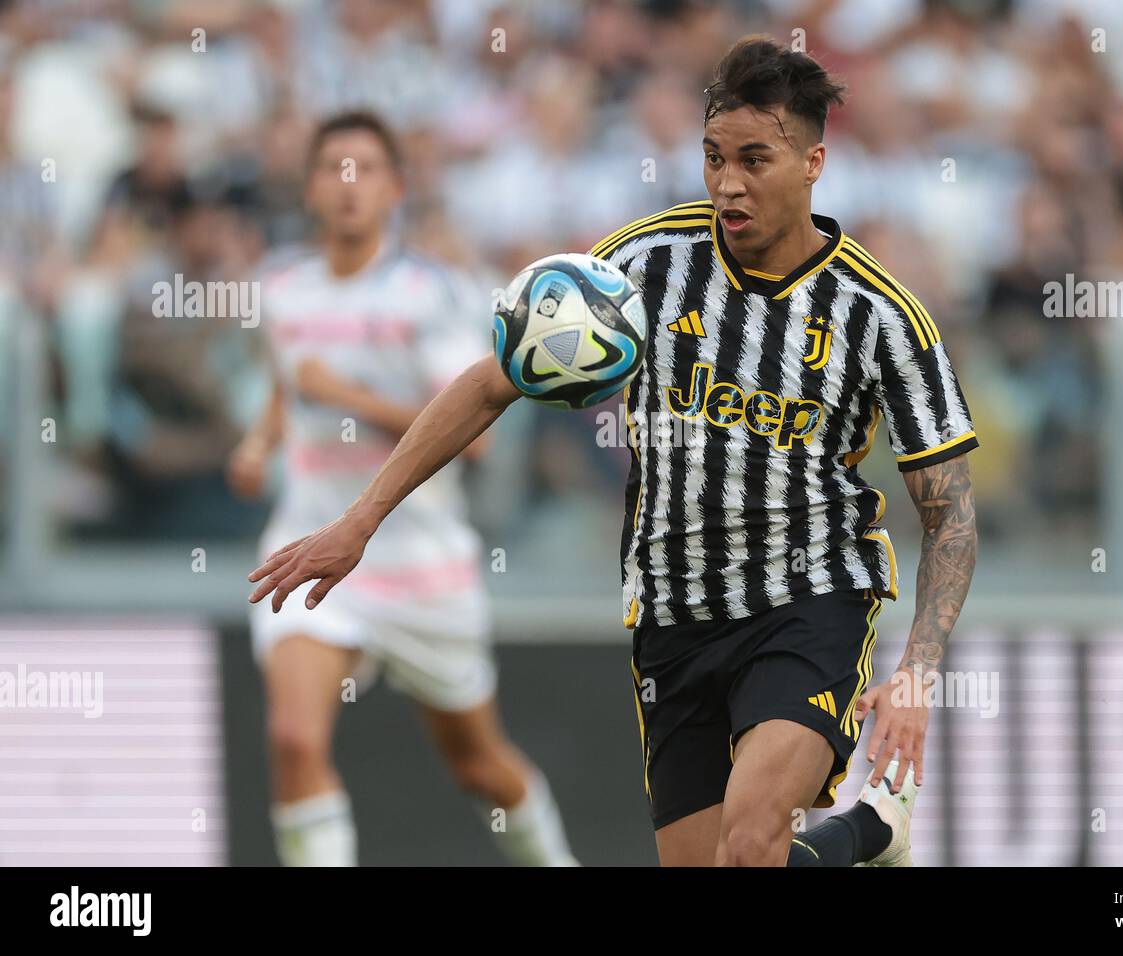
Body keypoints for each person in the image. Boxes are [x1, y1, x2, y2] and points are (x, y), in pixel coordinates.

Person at [250, 39, 978, 867]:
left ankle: (860, 828)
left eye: (753, 159)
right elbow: (492, 384)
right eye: (712, 157)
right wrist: (361, 519)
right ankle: (868, 832)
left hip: (809, 601)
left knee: (750, 843)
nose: (727, 183)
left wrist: (917, 671)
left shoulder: (880, 314)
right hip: (673, 616)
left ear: (814, 162)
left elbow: (950, 515)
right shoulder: (643, 265)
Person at [231, 111, 576, 867]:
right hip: (310, 544)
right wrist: (258, 445)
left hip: (419, 563)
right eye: (333, 169)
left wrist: (347, 394)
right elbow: (286, 388)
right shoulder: (284, 287)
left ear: (396, 188)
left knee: (480, 767)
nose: (349, 186)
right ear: (311, 187)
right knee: (293, 738)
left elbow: (475, 430)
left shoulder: (432, 293)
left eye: (366, 170)